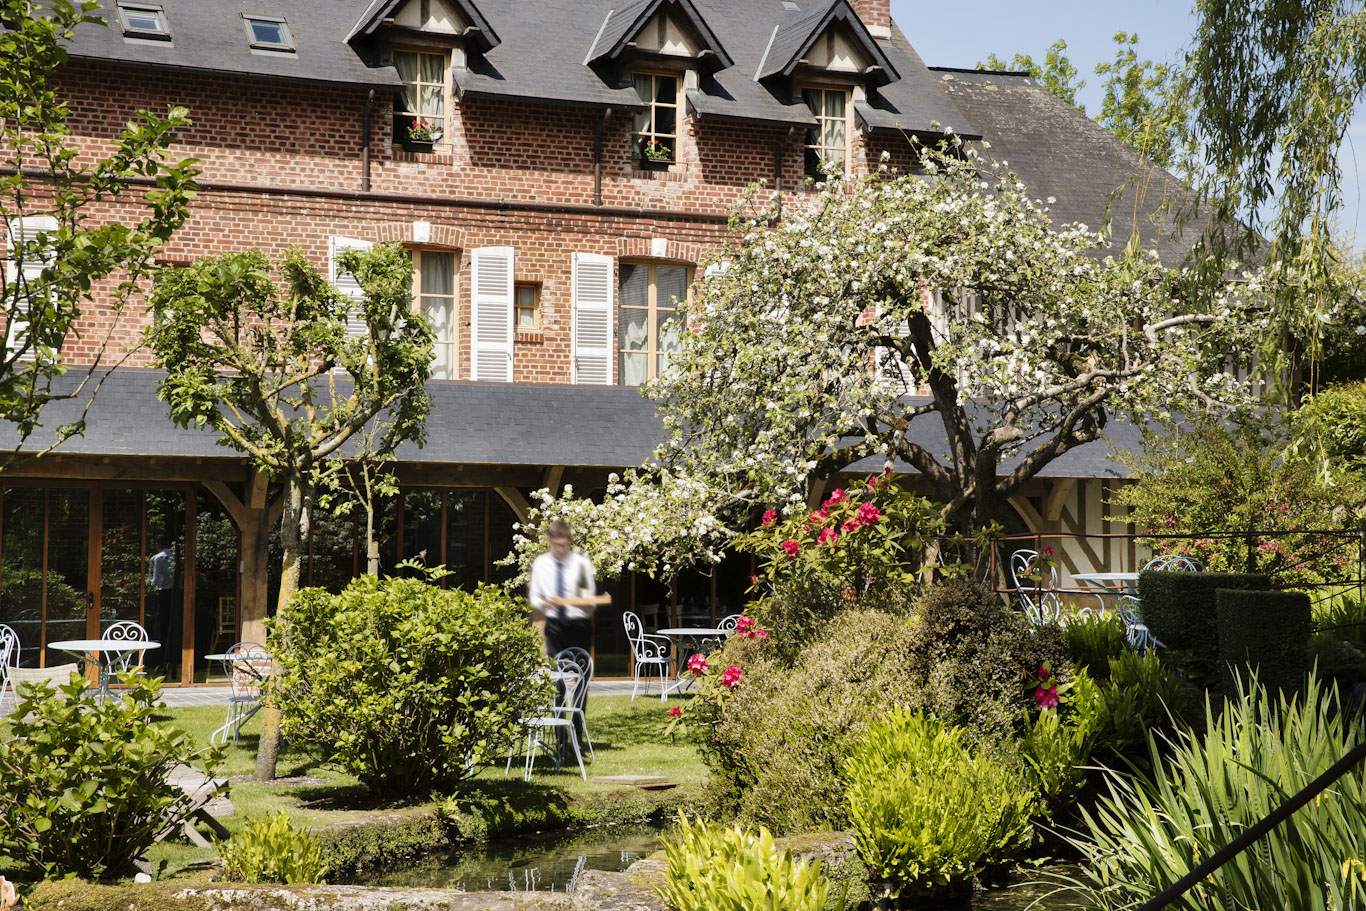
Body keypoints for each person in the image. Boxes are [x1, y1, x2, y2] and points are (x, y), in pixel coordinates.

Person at [528, 519, 597, 656]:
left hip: (579, 624)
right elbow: (534, 597)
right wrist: (545, 603)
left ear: (570, 540)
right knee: (556, 673)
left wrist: (583, 603)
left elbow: (586, 595)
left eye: (564, 545)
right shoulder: (541, 564)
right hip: (554, 625)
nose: (560, 549)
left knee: (582, 672)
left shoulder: (580, 564)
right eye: (556, 545)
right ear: (549, 540)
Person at [148, 536, 175, 674]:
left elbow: (156, 577)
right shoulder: (174, 557)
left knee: (163, 623)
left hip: (163, 592)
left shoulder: (159, 558)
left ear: (158, 544)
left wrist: (150, 586)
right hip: (174, 592)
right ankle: (170, 657)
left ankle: (163, 657)